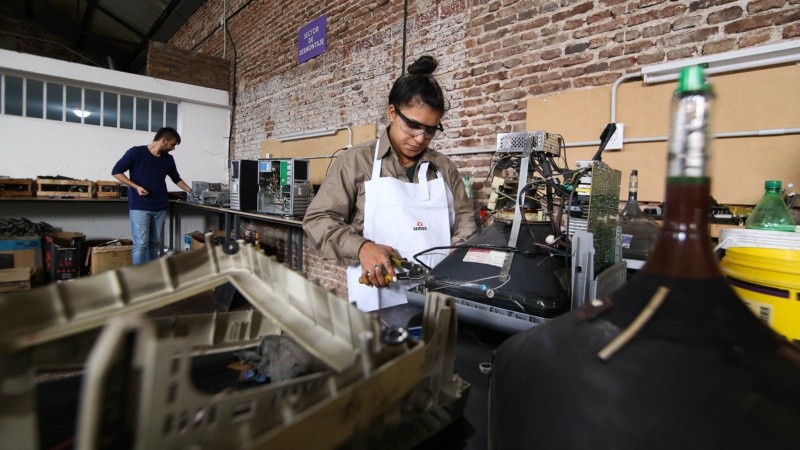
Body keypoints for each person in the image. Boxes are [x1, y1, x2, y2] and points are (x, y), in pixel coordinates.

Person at [303, 55, 477, 311]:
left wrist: (457, 254)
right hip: (376, 296)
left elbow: (465, 221)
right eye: (413, 126)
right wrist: (362, 247)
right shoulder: (356, 162)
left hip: (437, 297)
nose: (420, 138)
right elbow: (317, 220)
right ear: (392, 112)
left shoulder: (444, 168)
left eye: (430, 130)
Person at [112, 127, 192, 265]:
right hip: (140, 206)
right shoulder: (136, 152)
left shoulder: (168, 159)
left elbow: (176, 179)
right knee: (141, 243)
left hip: (160, 207)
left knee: (154, 243)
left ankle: (151, 275)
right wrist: (136, 187)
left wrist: (191, 191)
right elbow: (116, 171)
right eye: (172, 144)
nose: (173, 148)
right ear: (163, 140)